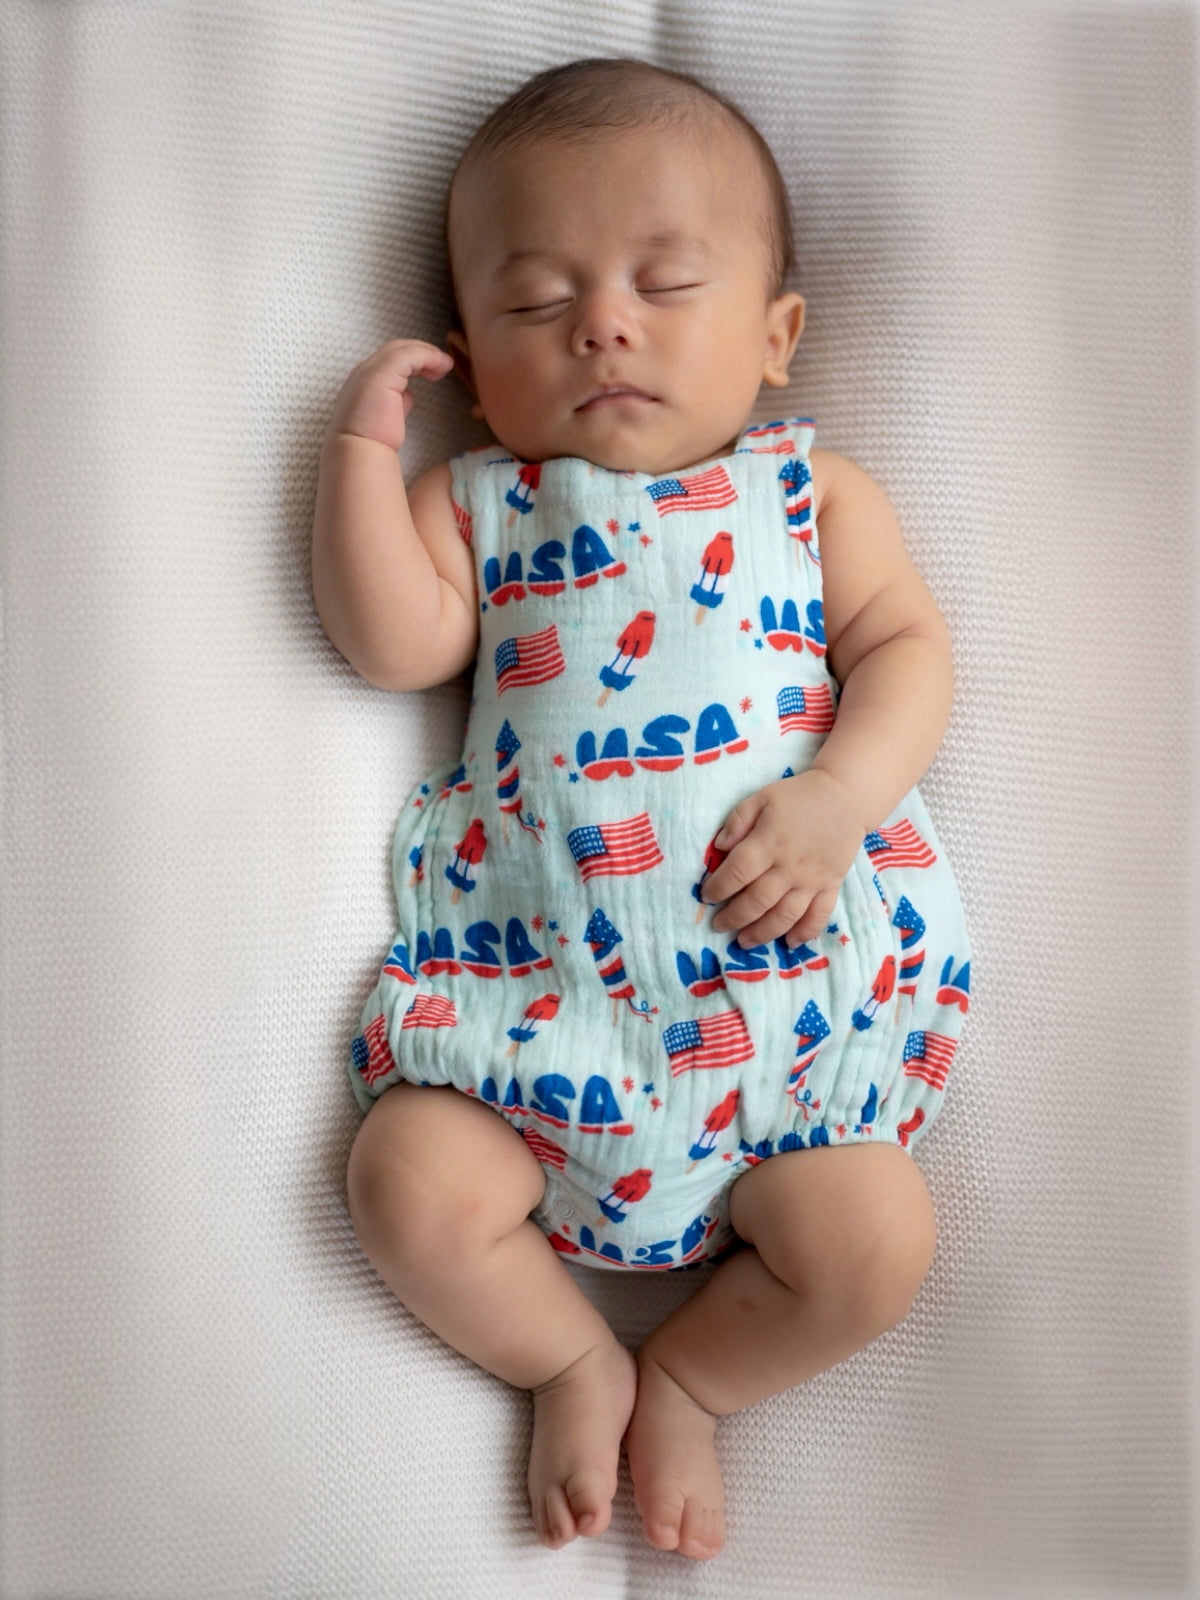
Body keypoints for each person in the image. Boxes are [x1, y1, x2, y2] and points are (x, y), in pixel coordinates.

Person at [312, 56, 972, 1563]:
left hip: (786, 1030)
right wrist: (358, 457)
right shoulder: (484, 503)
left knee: (876, 1243)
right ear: (476, 359)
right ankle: (570, 1359)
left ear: (776, 337)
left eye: (665, 283)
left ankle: (690, 1376)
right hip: (541, 1016)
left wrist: (838, 800)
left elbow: (910, 655)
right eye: (537, 301)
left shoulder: (811, 499)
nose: (602, 323)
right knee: (404, 1183)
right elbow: (392, 642)